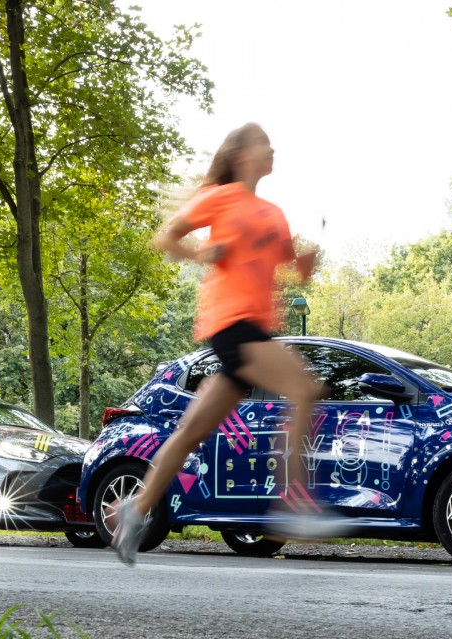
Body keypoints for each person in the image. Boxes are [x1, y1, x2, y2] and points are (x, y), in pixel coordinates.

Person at [109, 122, 348, 566]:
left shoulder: (273, 213)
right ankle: (295, 502)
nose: (272, 148)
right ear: (241, 155)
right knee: (304, 389)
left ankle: (135, 509)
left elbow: (293, 272)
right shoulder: (221, 199)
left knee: (190, 432)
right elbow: (166, 236)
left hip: (253, 329)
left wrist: (307, 263)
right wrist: (201, 255)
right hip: (231, 324)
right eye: (264, 143)